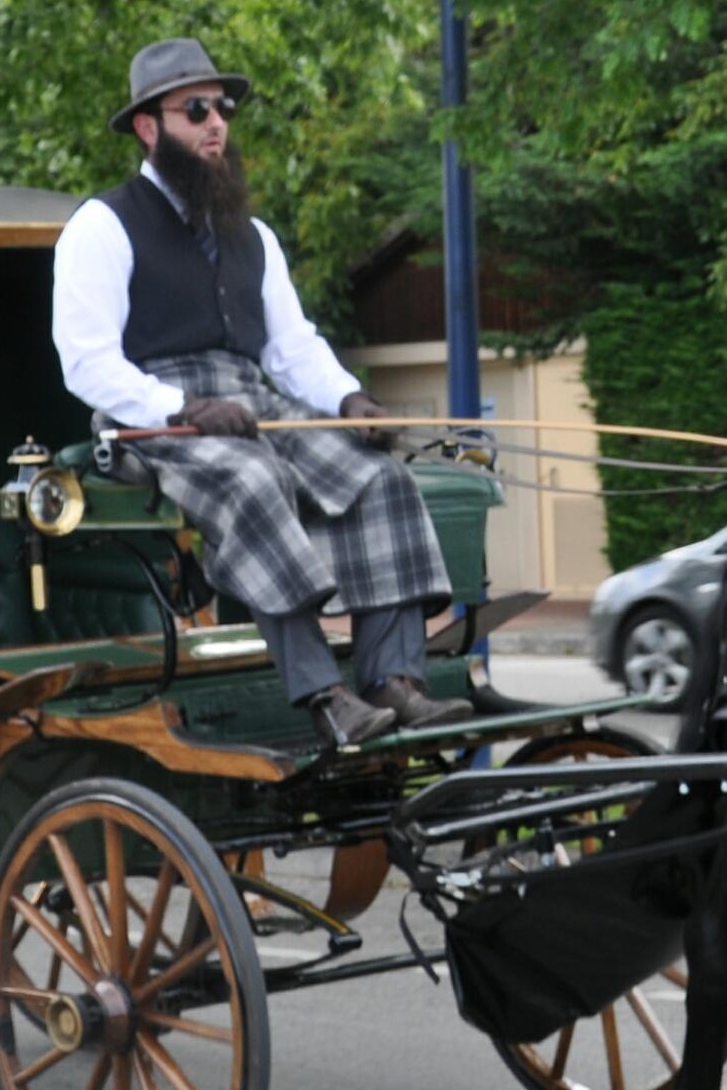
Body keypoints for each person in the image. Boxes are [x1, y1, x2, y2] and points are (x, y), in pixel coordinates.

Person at [52, 37, 474, 749]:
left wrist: (349, 402)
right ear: (149, 129)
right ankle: (325, 695)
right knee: (254, 482)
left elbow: (291, 348)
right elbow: (85, 361)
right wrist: (180, 408)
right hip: (155, 423)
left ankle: (394, 680)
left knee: (382, 479)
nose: (216, 122)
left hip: (252, 404)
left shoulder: (254, 236)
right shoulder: (101, 226)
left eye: (222, 107)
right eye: (195, 109)